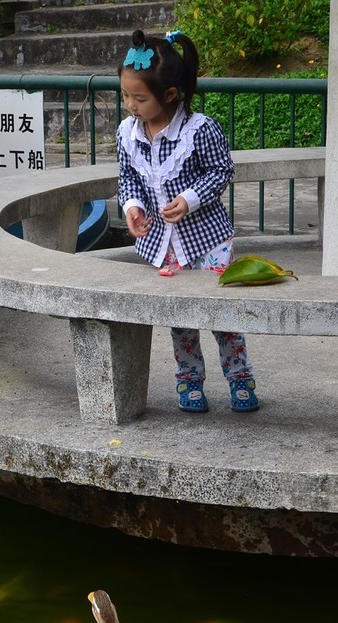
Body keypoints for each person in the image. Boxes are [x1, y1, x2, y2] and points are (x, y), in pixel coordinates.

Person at [116, 29, 258, 413]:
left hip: (207, 240)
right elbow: (128, 176)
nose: (130, 104)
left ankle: (240, 378)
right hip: (163, 243)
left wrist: (189, 199)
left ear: (170, 94)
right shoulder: (128, 133)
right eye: (126, 95)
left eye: (139, 98)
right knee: (180, 317)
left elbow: (220, 170)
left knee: (221, 313)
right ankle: (189, 381)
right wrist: (132, 206)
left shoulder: (200, 130)